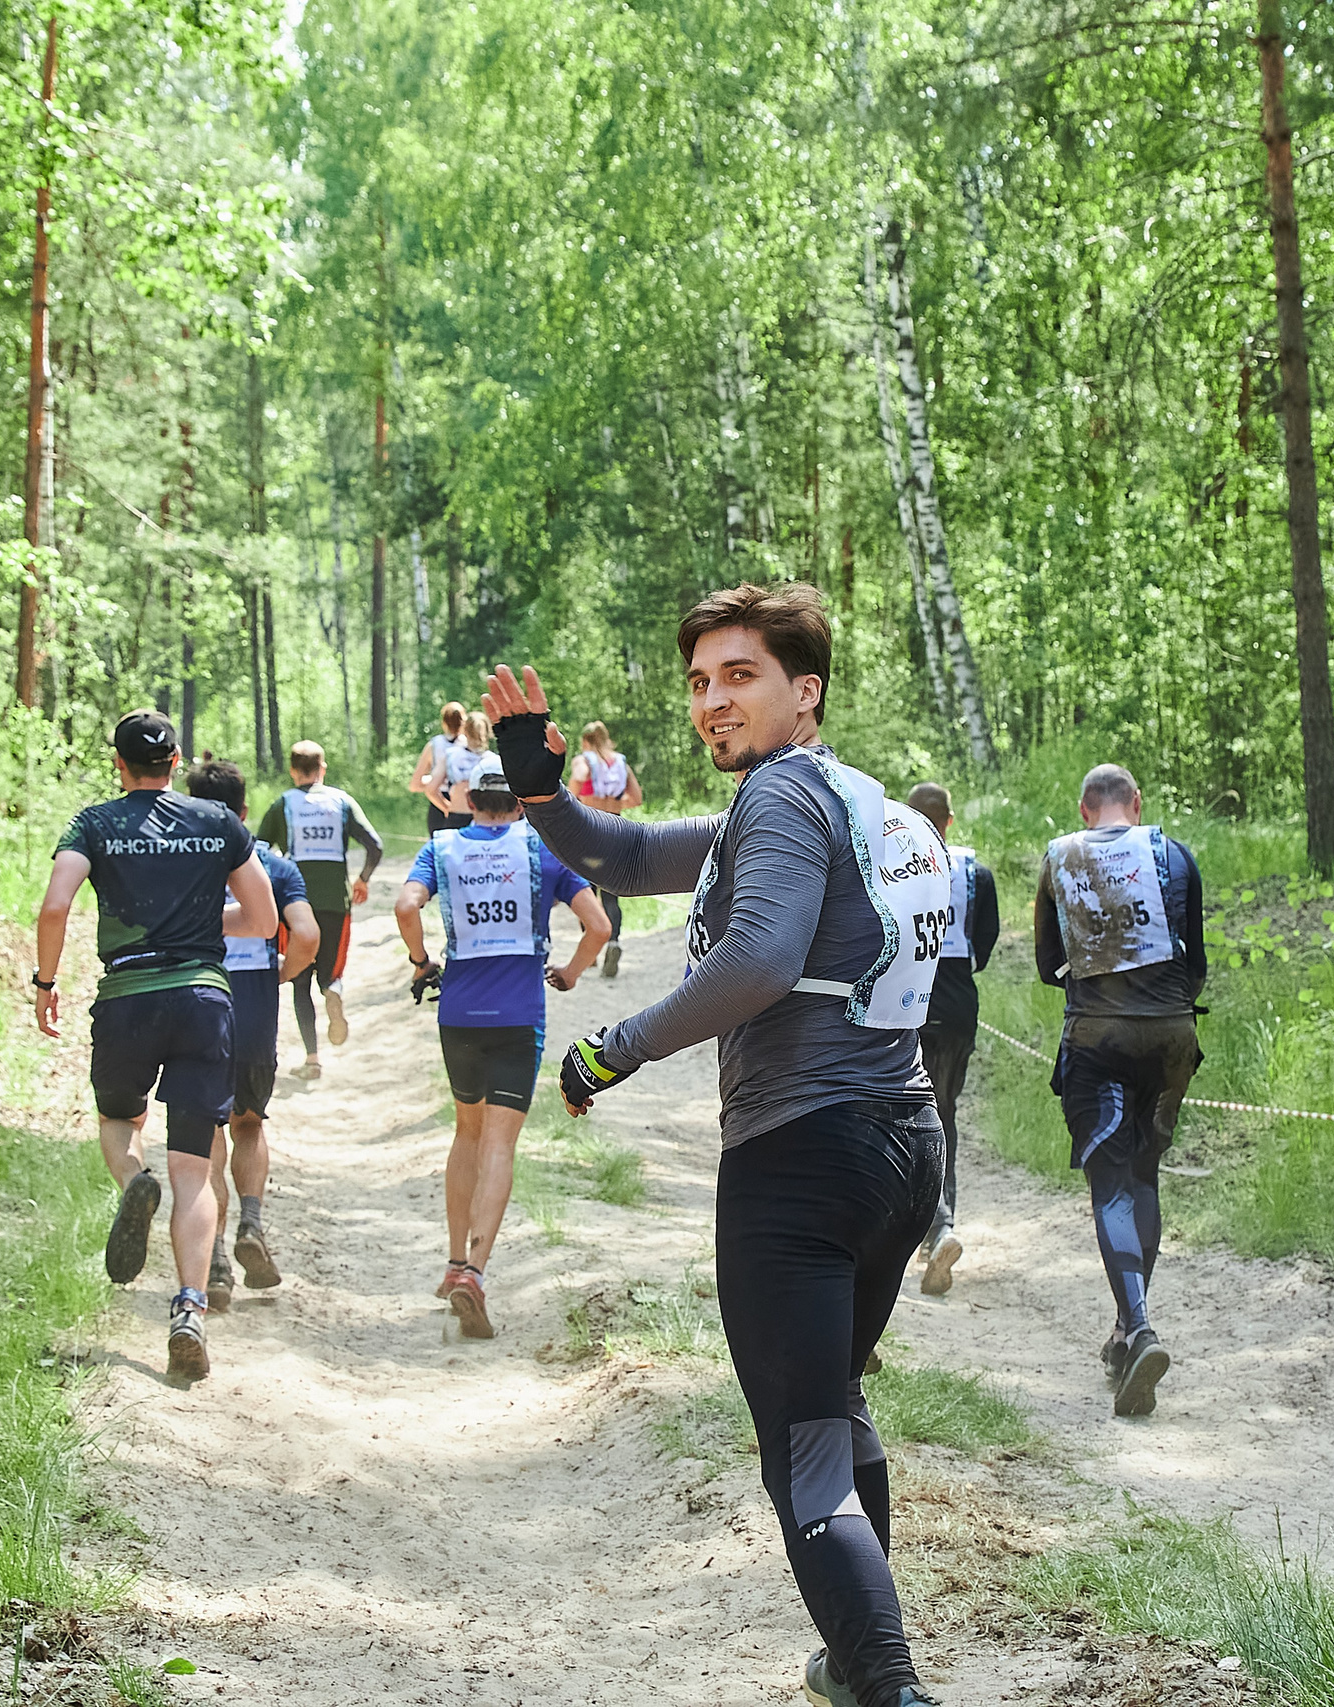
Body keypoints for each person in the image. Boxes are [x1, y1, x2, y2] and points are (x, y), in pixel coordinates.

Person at [481, 582, 950, 1707]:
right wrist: (539, 788)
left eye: (740, 677)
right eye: (698, 682)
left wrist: (616, 1048)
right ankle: (852, 1661)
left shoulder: (781, 799)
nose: (712, 703)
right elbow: (627, 850)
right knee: (833, 1406)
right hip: (904, 1146)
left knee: (802, 1450)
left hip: (802, 1157)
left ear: (806, 690)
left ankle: (887, 1685)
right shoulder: (853, 798)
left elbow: (758, 960)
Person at [35, 712, 276, 1385]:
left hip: (128, 997)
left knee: (119, 1118)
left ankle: (132, 1181)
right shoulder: (218, 823)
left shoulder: (94, 823)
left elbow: (55, 907)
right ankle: (190, 1308)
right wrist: (201, 921)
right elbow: (262, 919)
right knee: (195, 1168)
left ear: (119, 764)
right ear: (174, 762)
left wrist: (45, 982)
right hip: (203, 998)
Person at [392, 755, 611, 1338]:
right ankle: (474, 1272)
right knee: (499, 1144)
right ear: (519, 802)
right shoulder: (542, 851)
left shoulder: (441, 848)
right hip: (519, 1015)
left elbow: (405, 906)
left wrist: (421, 963)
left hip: (459, 1013)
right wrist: (570, 971)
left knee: (466, 1131)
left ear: (469, 801)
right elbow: (600, 927)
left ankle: (452, 1260)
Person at [1034, 764, 1204, 1419]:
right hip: (1171, 1038)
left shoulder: (1059, 857)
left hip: (1096, 1038)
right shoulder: (1173, 853)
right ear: (1137, 803)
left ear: (1084, 808)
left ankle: (1139, 1328)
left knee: (1109, 1184)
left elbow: (1049, 965)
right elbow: (1197, 963)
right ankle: (1125, 1330)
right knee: (1144, 1176)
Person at [186, 761, 319, 1311]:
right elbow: (307, 935)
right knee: (248, 1123)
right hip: (255, 1014)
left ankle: (214, 1257)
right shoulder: (272, 864)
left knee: (204, 1138)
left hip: (193, 1008)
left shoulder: (179, 863)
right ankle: (252, 1223)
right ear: (244, 811)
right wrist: (279, 973)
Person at [904, 781, 996, 1296]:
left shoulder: (885, 859)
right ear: (949, 822)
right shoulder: (976, 874)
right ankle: (943, 1224)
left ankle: (928, 1225)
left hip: (906, 1005)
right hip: (959, 1006)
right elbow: (985, 943)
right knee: (945, 1114)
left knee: (904, 1115)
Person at [255, 739, 383, 1076]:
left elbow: (258, 850)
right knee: (332, 971)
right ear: (322, 769)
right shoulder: (341, 802)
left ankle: (312, 1059)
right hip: (335, 903)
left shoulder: (283, 803)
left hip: (295, 905)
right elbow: (375, 845)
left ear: (293, 771)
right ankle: (333, 991)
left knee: (298, 980)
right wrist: (363, 879)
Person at [569, 719, 643, 978]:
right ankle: (614, 942)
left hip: (590, 831)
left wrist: (581, 796)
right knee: (611, 895)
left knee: (585, 894)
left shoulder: (584, 761)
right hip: (617, 830)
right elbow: (636, 798)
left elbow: (574, 785)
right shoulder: (620, 762)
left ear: (586, 741)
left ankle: (591, 951)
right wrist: (615, 800)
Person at [409, 701, 468, 833]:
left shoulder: (434, 745)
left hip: (437, 803)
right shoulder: (469, 745)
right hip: (462, 804)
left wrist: (433, 779)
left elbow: (415, 784)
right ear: (464, 721)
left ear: (444, 723)